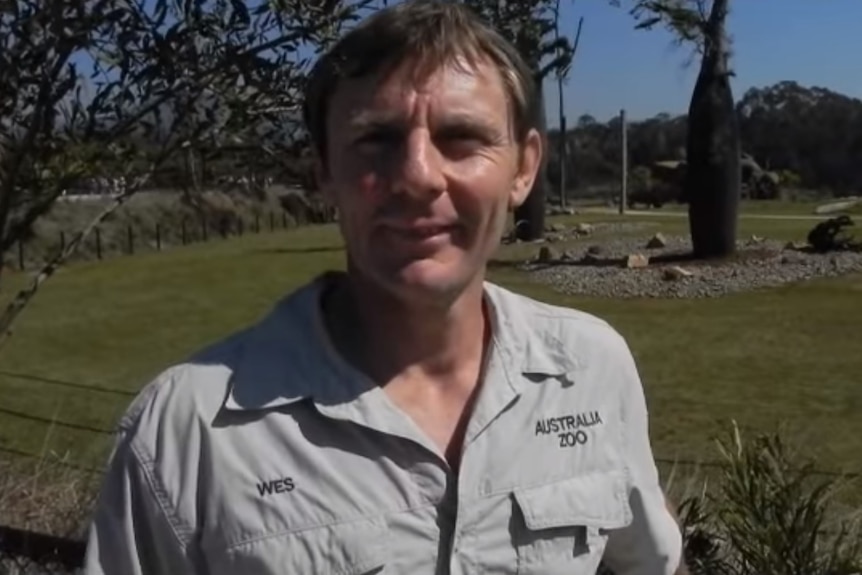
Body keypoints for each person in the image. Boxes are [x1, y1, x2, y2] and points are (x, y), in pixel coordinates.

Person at [83, 1, 686, 573]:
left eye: (460, 137)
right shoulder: (186, 432)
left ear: (524, 168)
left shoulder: (589, 369)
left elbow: (653, 562)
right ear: (324, 171)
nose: (418, 176)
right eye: (377, 139)